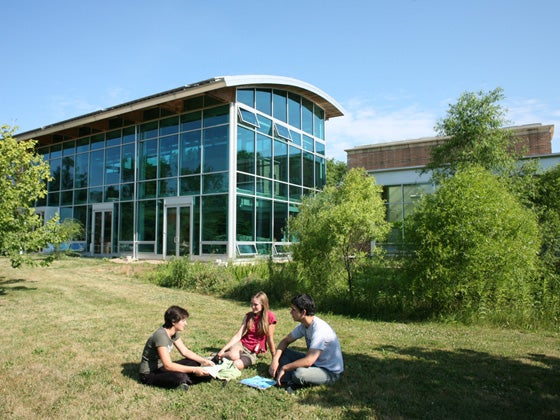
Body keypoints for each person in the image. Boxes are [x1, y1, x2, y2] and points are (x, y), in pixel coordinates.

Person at [269, 294, 343, 390]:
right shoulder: (304, 325)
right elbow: (285, 341)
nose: (290, 312)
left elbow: (308, 361)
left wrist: (285, 367)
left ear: (303, 312)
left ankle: (291, 379)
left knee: (299, 374)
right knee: (283, 352)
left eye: (293, 310)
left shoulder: (320, 330)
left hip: (329, 372)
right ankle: (285, 380)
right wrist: (275, 360)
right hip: (315, 363)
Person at [139, 305, 214, 390]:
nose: (186, 323)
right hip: (150, 373)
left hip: (162, 368)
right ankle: (185, 380)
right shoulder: (161, 336)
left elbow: (185, 351)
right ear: (173, 321)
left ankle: (189, 378)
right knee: (180, 377)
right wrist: (194, 370)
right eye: (183, 321)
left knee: (194, 362)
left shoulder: (173, 333)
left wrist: (204, 361)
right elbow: (168, 366)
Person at [215, 291, 277, 370]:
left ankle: (223, 360)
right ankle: (218, 356)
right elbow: (238, 335)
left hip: (252, 352)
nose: (253, 307)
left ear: (263, 305)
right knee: (233, 356)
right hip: (242, 344)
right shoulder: (248, 316)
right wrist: (222, 350)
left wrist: (274, 358)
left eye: (256, 305)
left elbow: (269, 339)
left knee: (237, 364)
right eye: (252, 304)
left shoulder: (270, 317)